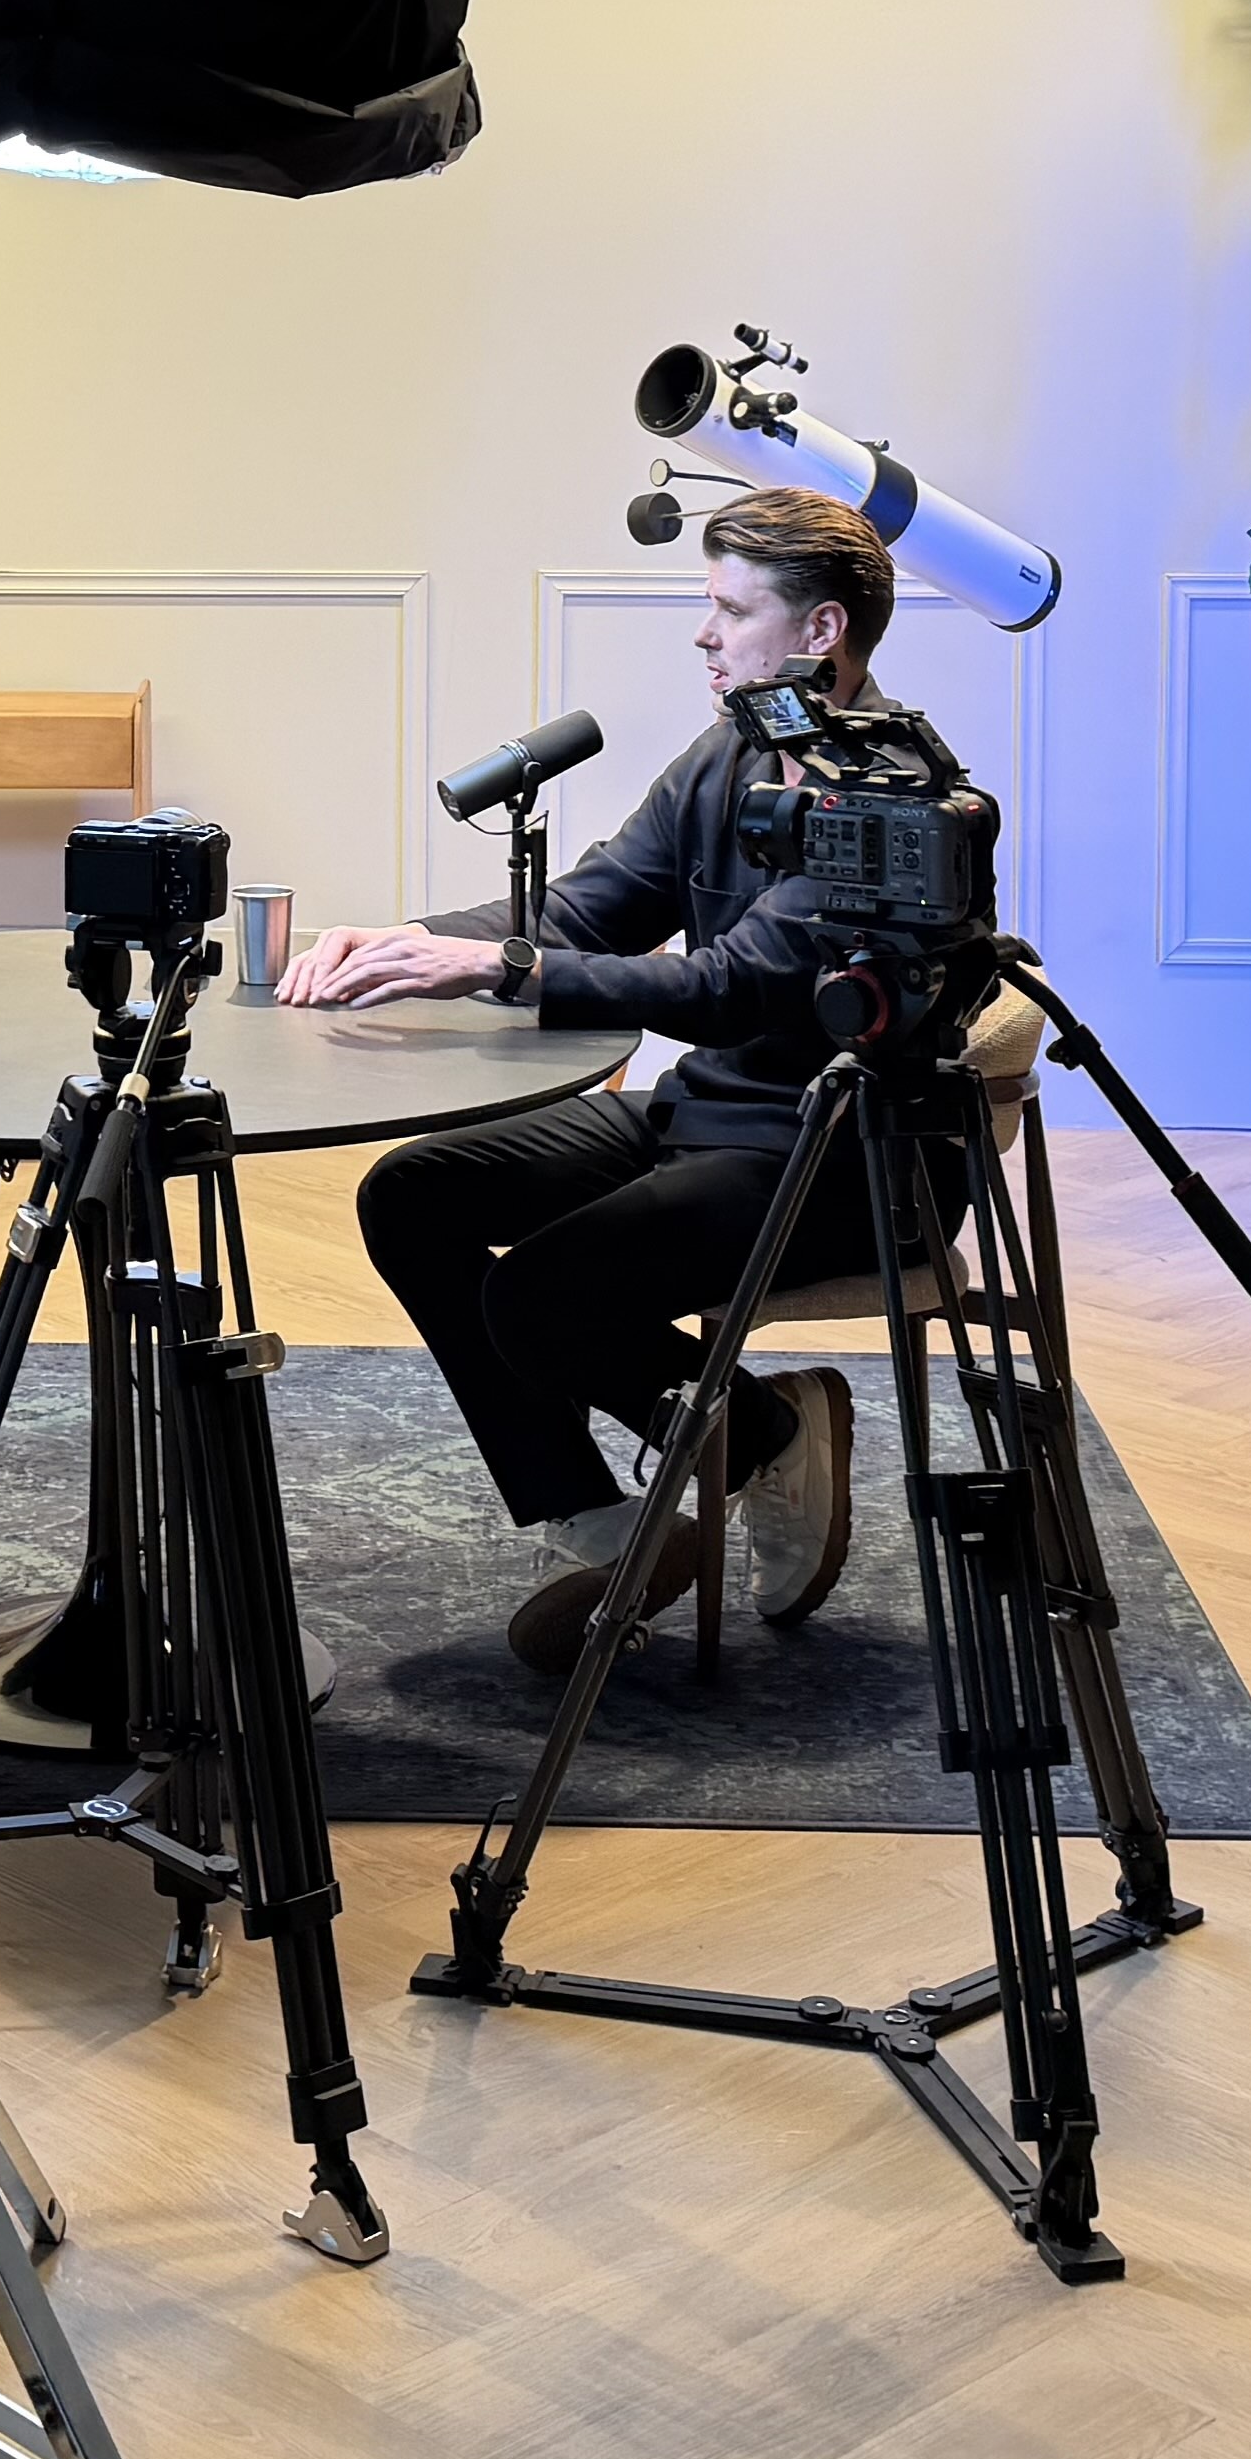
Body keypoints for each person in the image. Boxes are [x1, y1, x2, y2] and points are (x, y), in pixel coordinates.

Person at [282, 491, 927, 1675]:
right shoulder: (728, 752)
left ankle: (767, 1431)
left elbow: (732, 986)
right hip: (710, 1118)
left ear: (821, 630)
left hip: (837, 1157)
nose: (705, 634)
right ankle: (599, 1515)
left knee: (538, 1296)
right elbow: (587, 911)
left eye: (731, 610)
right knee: (411, 1197)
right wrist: (407, 941)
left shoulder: (884, 798)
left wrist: (503, 968)